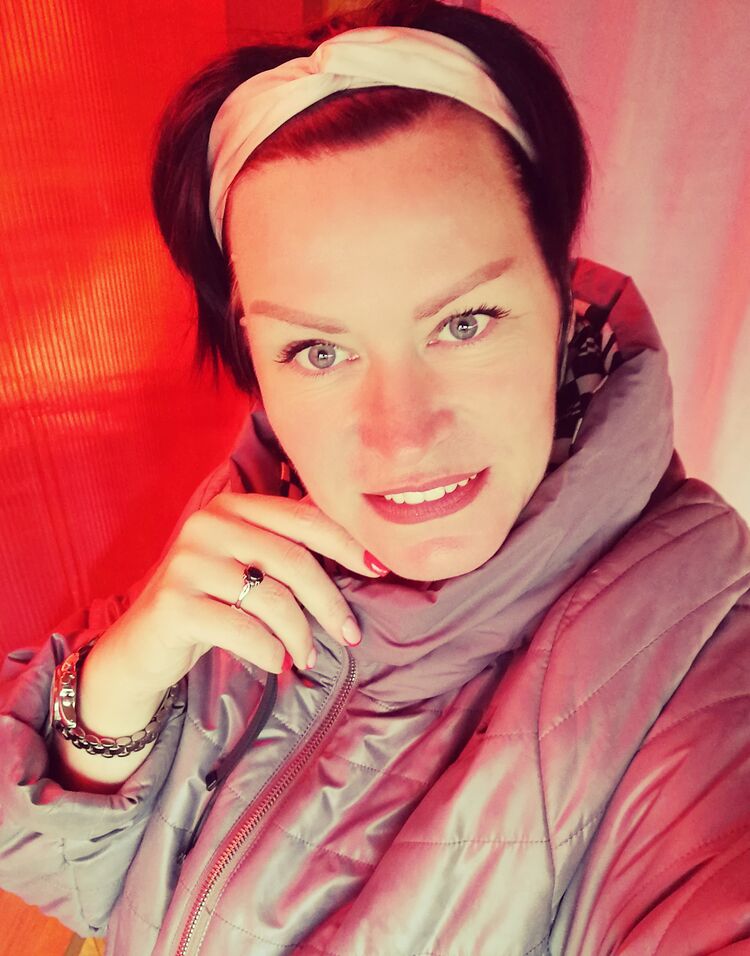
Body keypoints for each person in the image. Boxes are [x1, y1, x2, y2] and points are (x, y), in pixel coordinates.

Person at [1, 0, 748, 953]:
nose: (400, 437)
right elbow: (60, 873)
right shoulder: (248, 532)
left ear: (562, 303)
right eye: (318, 350)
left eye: (464, 323)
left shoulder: (698, 662)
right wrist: (115, 686)